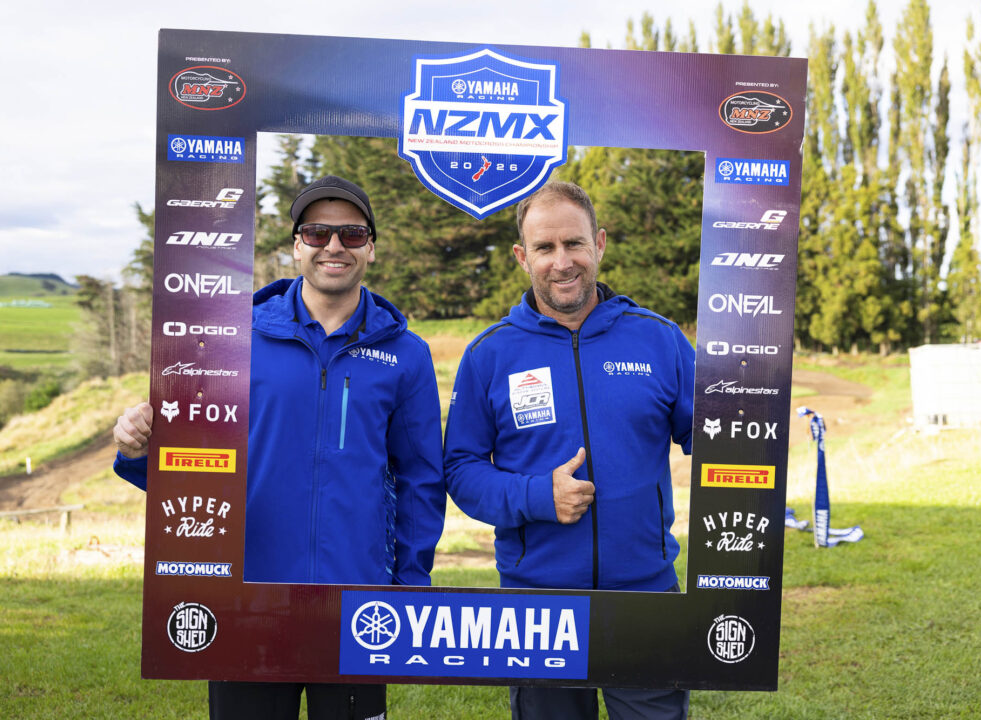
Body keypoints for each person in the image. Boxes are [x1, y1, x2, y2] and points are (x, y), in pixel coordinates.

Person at [113, 175, 446, 720]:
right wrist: (138, 447)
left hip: (357, 606)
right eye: (316, 232)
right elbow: (191, 464)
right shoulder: (227, 338)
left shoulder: (407, 355)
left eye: (351, 234)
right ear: (295, 245)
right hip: (246, 598)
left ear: (371, 248)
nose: (333, 246)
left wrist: (409, 584)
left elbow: (421, 481)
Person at [443, 181, 693, 720]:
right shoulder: (490, 353)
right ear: (521, 256)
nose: (563, 262)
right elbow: (461, 470)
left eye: (574, 244)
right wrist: (537, 496)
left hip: (645, 598)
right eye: (545, 247)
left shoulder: (660, 339)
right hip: (538, 608)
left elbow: (715, 443)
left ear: (599, 244)